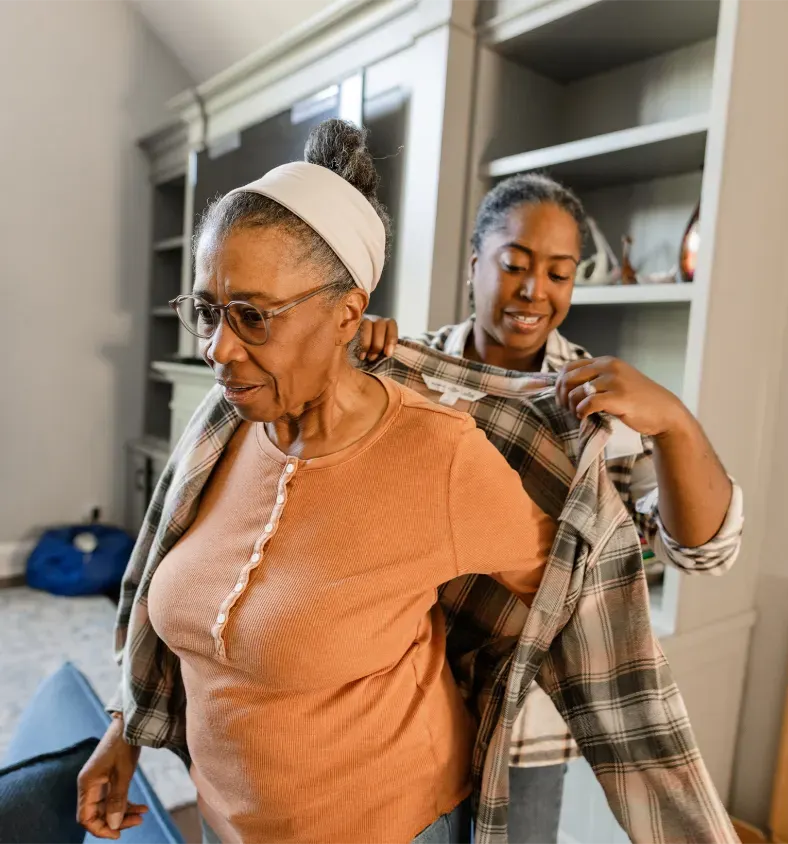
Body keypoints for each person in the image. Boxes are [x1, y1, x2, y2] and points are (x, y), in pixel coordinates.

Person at [76, 120, 559, 844]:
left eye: (252, 317)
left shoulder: (439, 454)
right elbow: (162, 584)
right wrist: (126, 732)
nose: (217, 349)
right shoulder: (224, 424)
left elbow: (572, 592)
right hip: (227, 821)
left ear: (348, 314)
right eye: (207, 310)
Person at [357, 172, 743, 843]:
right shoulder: (405, 372)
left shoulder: (595, 405)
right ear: (476, 264)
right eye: (515, 265)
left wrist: (673, 422)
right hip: (398, 702)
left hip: (524, 733)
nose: (536, 291)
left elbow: (701, 551)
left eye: (560, 274)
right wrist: (352, 361)